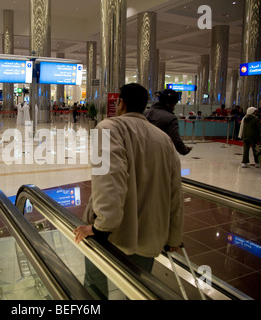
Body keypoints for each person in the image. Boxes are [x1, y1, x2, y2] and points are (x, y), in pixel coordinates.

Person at [74, 83, 184, 297]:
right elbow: (175, 193)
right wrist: (174, 238)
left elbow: (108, 181)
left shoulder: (107, 129)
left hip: (113, 236)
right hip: (150, 233)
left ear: (121, 103)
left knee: (95, 286)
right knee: (138, 291)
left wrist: (101, 227)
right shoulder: (165, 140)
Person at [144, 89, 192, 155]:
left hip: (142, 153)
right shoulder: (170, 118)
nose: (174, 108)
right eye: (174, 105)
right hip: (160, 154)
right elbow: (175, 140)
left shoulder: (144, 113)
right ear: (169, 103)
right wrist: (184, 150)